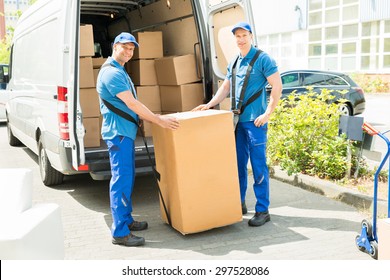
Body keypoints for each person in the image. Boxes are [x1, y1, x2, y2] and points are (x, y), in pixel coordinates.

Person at [193, 22, 282, 227]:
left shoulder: (263, 59)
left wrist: (268, 113)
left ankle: (262, 209)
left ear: (251, 36)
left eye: (244, 35)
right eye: (237, 36)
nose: (240, 39)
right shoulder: (234, 61)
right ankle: (239, 202)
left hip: (256, 122)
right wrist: (209, 104)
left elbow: (277, 86)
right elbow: (226, 87)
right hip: (237, 122)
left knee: (258, 166)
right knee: (238, 165)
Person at [97, 32, 180, 246]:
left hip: (125, 132)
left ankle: (126, 219)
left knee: (128, 178)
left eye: (132, 49)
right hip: (119, 135)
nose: (128, 51)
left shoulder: (120, 70)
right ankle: (120, 232)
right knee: (121, 181)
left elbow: (128, 104)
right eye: (124, 47)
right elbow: (132, 104)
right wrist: (157, 120)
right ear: (115, 46)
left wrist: (140, 119)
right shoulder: (111, 74)